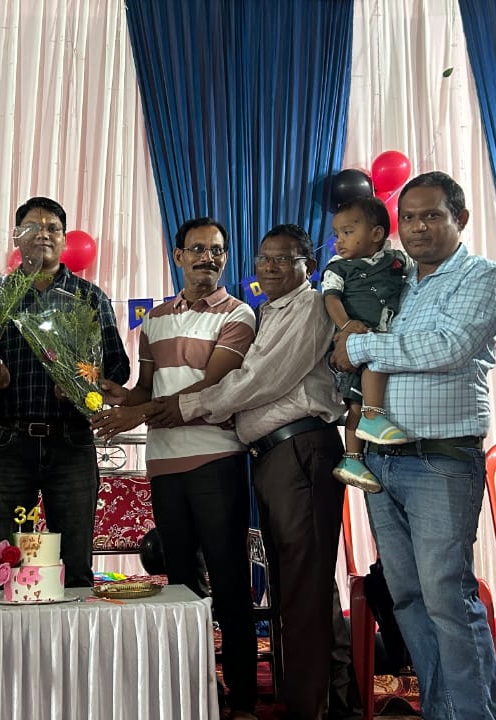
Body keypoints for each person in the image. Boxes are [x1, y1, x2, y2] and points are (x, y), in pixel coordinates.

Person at [331, 171, 496, 720]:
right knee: (407, 597)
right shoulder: (398, 278)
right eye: (408, 217)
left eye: (432, 215)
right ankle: (442, 711)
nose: (417, 227)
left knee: (447, 598)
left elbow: (446, 347)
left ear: (461, 219)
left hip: (441, 459)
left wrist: (360, 346)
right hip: (382, 459)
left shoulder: (483, 277)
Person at [158, 223, 358, 720]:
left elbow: (260, 380)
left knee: (303, 588)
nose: (269, 267)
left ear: (308, 265)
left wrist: (184, 407)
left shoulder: (310, 307)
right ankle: (333, 702)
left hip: (300, 449)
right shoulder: (270, 311)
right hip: (272, 455)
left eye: (283, 259)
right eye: (264, 258)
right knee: (301, 585)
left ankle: (309, 709)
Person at [90, 217, 259, 719]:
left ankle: (244, 699)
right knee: (181, 582)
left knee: (228, 579)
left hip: (216, 457)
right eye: (198, 249)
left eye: (218, 249)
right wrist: (113, 395)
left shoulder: (239, 314)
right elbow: (148, 390)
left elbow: (212, 388)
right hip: (164, 462)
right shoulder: (156, 320)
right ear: (178, 255)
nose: (209, 257)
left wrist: (135, 414)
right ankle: (194, 693)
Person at [0, 196, 129, 588]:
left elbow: (118, 367)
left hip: (71, 442)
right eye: (32, 227)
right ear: (16, 238)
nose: (43, 234)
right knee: (8, 566)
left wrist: (82, 384)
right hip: (9, 440)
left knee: (75, 567)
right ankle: (11, 629)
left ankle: (74, 631)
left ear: (64, 239)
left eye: (53, 228)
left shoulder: (89, 297)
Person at [320, 196, 412, 492]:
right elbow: (331, 299)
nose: (339, 241)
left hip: (386, 333)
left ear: (376, 234)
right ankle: (372, 420)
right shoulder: (338, 268)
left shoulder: (397, 260)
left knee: (357, 402)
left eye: (347, 232)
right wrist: (346, 326)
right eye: (337, 234)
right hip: (357, 338)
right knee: (357, 401)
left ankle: (352, 460)